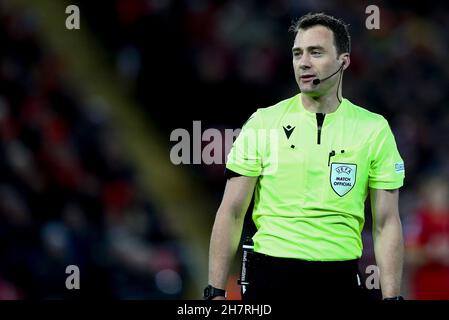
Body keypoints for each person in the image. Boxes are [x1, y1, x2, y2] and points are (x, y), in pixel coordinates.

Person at [203, 12, 405, 301]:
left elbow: (386, 222)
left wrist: (392, 297)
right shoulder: (263, 122)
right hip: (270, 278)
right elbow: (231, 211)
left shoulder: (374, 129)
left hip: (340, 280)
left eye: (316, 52)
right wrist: (215, 292)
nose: (304, 62)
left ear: (343, 61)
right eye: (298, 53)